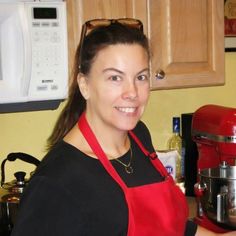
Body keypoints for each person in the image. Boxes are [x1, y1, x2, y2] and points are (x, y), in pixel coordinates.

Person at [11, 19, 235, 236]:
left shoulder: (139, 136)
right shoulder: (57, 181)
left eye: (141, 77)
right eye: (115, 78)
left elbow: (172, 227)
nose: (132, 93)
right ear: (84, 85)